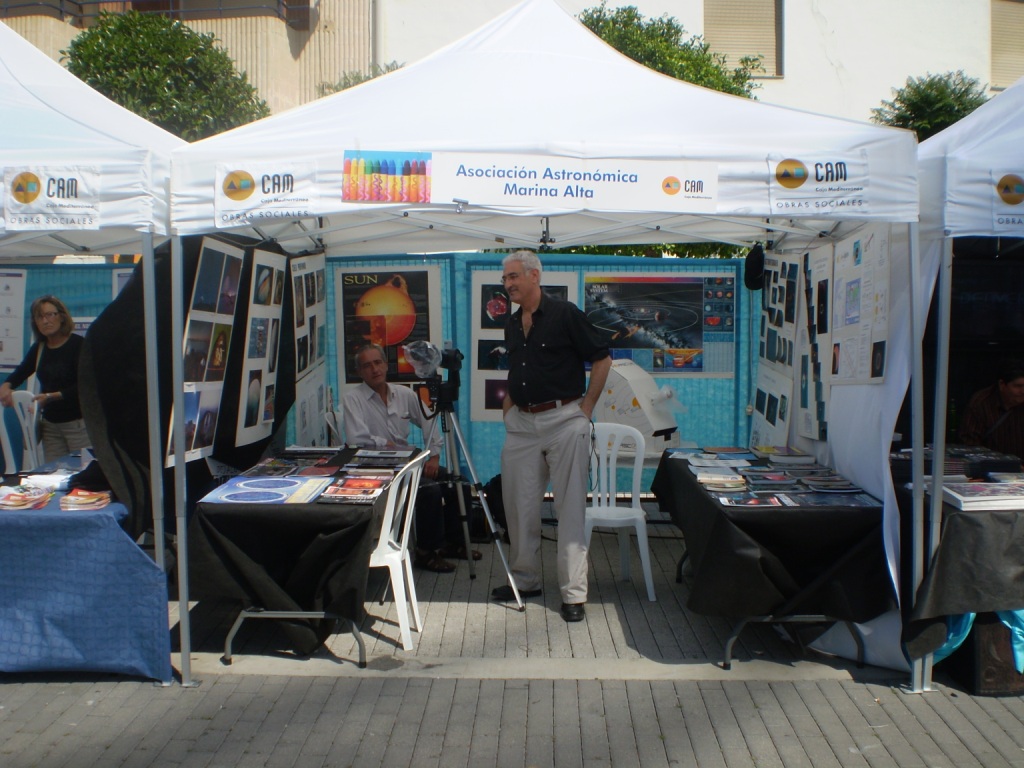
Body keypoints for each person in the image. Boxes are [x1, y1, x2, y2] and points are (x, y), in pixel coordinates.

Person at [494, 250, 612, 622]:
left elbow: (602, 358)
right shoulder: (512, 324)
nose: (509, 284)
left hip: (565, 420)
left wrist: (587, 408)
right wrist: (509, 407)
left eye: (514, 277)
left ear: (534, 276)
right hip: (522, 425)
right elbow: (518, 367)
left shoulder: (565, 314)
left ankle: (574, 595)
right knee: (519, 506)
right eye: (505, 279)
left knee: (570, 508)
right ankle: (525, 580)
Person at [343, 343, 479, 572]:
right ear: (360, 372)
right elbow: (358, 440)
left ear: (386, 365)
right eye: (367, 366)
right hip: (376, 469)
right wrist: (385, 444)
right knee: (429, 490)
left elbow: (429, 422)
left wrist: (433, 456)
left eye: (378, 363)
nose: (374, 369)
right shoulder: (353, 399)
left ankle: (454, 544)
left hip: (407, 463)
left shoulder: (404, 394)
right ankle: (426, 553)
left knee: (459, 483)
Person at [0, 295, 89, 461]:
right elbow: (21, 371)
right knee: (55, 474)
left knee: (81, 473)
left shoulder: (78, 345)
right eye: (40, 317)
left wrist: (51, 397)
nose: (45, 321)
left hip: (78, 424)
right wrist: (6, 385)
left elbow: (85, 386)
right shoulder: (39, 348)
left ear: (62, 316)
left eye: (50, 314)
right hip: (50, 426)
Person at [959, 358, 1024, 461]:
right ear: (1002, 384)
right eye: (1018, 386)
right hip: (992, 467)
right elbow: (971, 446)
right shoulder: (981, 403)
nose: (1022, 391)